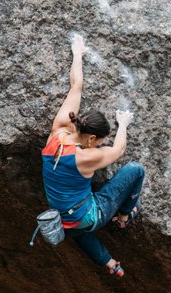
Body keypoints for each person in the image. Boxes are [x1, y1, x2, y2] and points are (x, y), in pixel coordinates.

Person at [42, 34, 145, 277]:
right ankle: (123, 216)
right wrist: (122, 125)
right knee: (135, 170)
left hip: (62, 217)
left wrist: (78, 53)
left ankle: (110, 263)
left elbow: (75, 86)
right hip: (86, 216)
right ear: (90, 139)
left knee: (76, 227)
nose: (100, 145)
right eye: (100, 141)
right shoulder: (85, 159)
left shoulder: (58, 132)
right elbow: (119, 151)